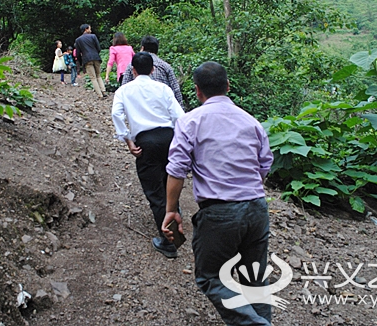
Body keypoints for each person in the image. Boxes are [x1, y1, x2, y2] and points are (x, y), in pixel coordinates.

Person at [161, 61, 274, 325]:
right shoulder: (251, 121)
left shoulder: (190, 121)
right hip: (257, 207)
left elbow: (177, 170)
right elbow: (265, 163)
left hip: (219, 212)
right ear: (228, 86)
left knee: (210, 276)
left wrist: (171, 209)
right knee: (254, 276)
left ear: (198, 91)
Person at [112, 52, 185, 258]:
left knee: (155, 192)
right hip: (170, 138)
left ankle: (170, 242)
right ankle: (174, 226)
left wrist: (127, 140)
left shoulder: (124, 90)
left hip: (147, 143)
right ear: (153, 69)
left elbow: (116, 114)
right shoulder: (163, 88)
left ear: (132, 70)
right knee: (170, 183)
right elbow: (179, 116)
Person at [121, 35, 183, 107]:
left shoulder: (132, 65)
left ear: (142, 48)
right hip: (162, 107)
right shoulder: (165, 66)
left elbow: (124, 88)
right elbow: (176, 90)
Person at [74, 24, 106, 97]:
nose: (90, 30)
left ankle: (99, 95)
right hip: (96, 57)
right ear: (86, 29)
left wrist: (81, 62)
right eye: (89, 29)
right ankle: (103, 91)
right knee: (98, 75)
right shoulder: (93, 36)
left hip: (87, 59)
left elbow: (78, 53)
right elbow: (98, 48)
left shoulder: (78, 40)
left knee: (93, 78)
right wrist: (96, 54)